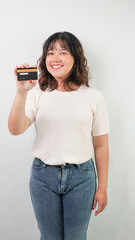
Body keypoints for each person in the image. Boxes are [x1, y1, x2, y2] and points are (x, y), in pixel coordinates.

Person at [8, 31, 109, 240]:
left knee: (76, 237)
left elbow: (101, 145)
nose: (55, 58)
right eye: (50, 52)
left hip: (82, 177)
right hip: (43, 177)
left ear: (75, 59)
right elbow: (15, 129)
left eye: (63, 52)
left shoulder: (93, 97)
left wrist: (103, 187)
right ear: (44, 59)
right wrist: (20, 93)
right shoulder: (36, 94)